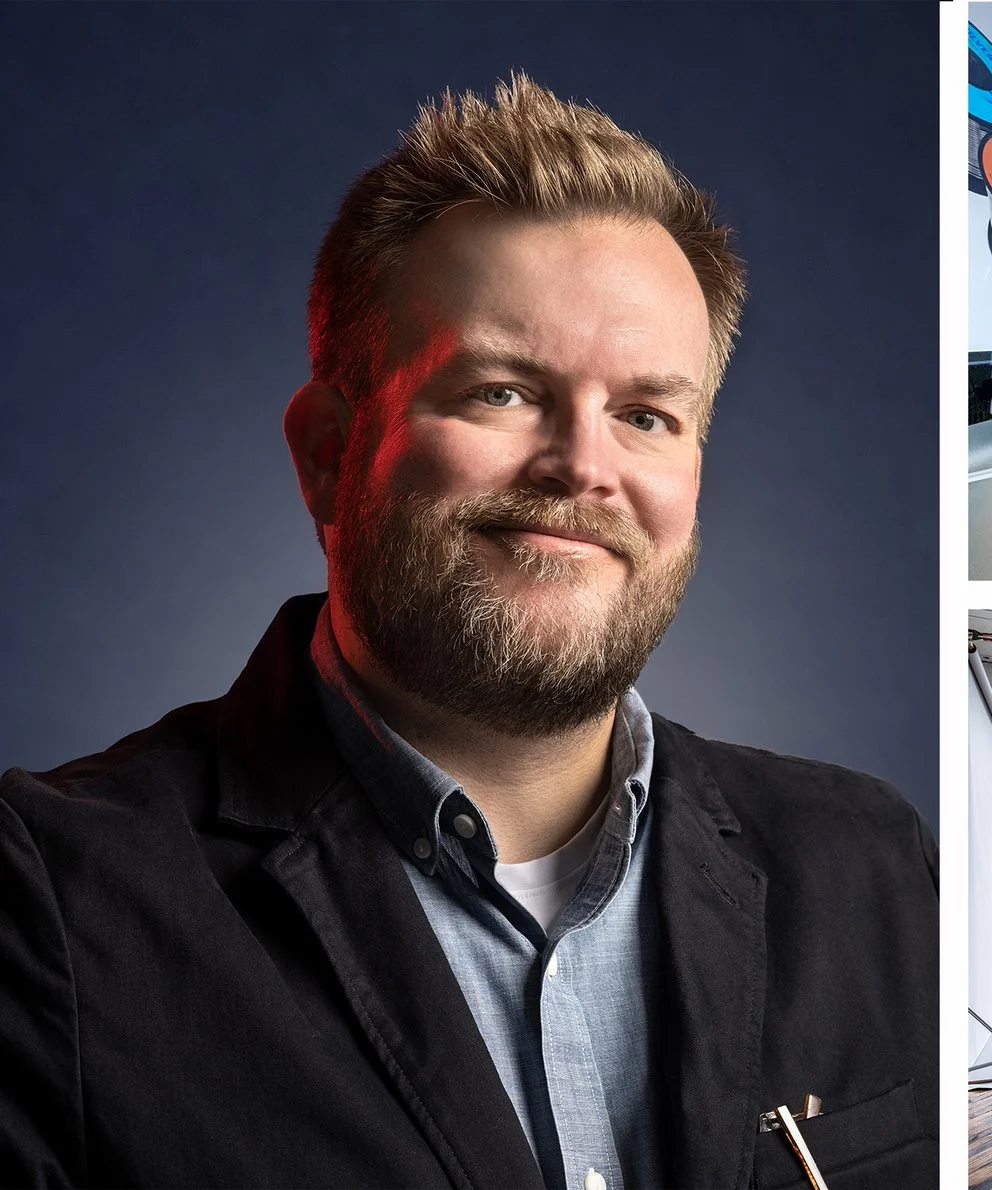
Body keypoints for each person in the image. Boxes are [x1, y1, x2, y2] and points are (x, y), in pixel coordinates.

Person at [0, 76, 936, 1187]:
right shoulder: (51, 898)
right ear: (326, 457)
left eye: (646, 414)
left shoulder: (869, 859)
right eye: (500, 391)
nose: (583, 466)